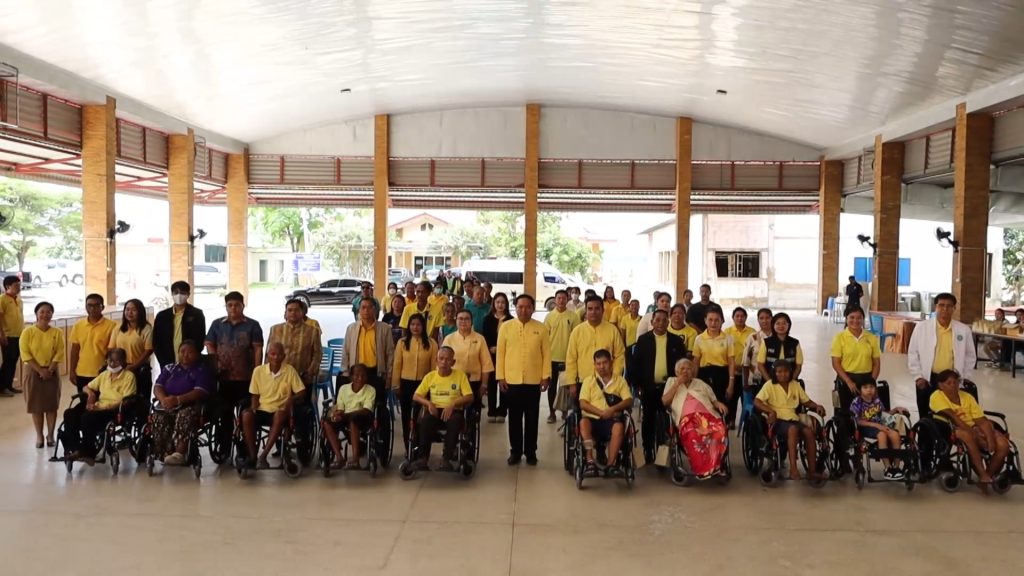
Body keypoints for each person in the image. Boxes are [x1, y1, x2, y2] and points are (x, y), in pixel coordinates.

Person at [929, 370, 1010, 492]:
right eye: (949, 383)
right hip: (951, 427)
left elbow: (981, 420)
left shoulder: (967, 397)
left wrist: (990, 439)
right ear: (941, 385)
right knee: (967, 436)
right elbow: (954, 418)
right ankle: (982, 473)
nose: (953, 385)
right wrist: (975, 435)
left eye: (955, 382)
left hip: (974, 426)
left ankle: (987, 476)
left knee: (1003, 444)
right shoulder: (937, 396)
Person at [497, 294, 551, 466]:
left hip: (533, 381)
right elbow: (500, 353)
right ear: (515, 307)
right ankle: (515, 451)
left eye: (527, 307)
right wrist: (500, 377)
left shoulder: (541, 328)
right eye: (520, 306)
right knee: (514, 418)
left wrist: (545, 376)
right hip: (511, 380)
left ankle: (530, 452)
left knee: (532, 418)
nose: (524, 310)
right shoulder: (506, 327)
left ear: (533, 309)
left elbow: (546, 354)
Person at [205, 291, 264, 445]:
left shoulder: (252, 325)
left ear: (243, 306)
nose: (233, 308)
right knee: (224, 412)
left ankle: (245, 446)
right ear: (226, 307)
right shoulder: (217, 324)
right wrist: (215, 359)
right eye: (230, 305)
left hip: (246, 376)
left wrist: (257, 372)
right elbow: (209, 343)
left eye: (237, 305)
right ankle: (224, 446)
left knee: (246, 411)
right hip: (224, 376)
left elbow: (258, 349)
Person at [754, 360, 827, 482]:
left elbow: (806, 401)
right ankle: (793, 469)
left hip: (793, 418)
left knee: (809, 432)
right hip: (777, 420)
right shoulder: (769, 385)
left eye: (786, 371)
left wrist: (817, 406)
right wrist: (770, 411)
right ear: (774, 373)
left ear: (790, 372)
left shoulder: (795, 385)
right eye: (779, 372)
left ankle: (812, 471)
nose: (783, 374)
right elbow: (757, 401)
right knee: (793, 429)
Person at [62, 348, 137, 465]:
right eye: (110, 360)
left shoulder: (129, 377)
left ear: (123, 362)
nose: (112, 364)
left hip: (114, 409)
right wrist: (91, 394)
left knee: (87, 417)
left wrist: (102, 408)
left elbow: (126, 401)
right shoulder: (104, 375)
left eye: (116, 361)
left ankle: (89, 452)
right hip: (99, 405)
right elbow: (86, 387)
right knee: (69, 413)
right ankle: (75, 449)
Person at [630, 309, 686, 463]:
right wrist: (637, 385)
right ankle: (648, 448)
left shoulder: (676, 341)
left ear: (668, 322)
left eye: (664, 320)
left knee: (669, 419)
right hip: (648, 387)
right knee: (648, 418)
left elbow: (683, 364)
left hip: (669, 388)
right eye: (657, 320)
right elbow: (635, 365)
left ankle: (665, 452)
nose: (661, 323)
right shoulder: (643, 340)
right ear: (652, 322)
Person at [907, 292, 976, 418]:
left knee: (951, 415)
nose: (945, 309)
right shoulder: (922, 327)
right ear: (936, 307)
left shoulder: (963, 330)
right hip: (928, 379)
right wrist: (918, 377)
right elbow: (913, 352)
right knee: (926, 414)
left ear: (954, 308)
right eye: (941, 305)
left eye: (949, 306)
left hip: (951, 380)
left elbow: (970, 356)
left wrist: (964, 377)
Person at [241, 341, 305, 469]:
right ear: (267, 356)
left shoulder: (289, 371)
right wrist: (253, 409)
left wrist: (292, 399)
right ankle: (253, 456)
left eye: (279, 355)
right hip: (262, 409)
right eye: (273, 354)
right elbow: (255, 395)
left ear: (284, 356)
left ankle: (263, 456)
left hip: (280, 410)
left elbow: (301, 392)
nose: (276, 357)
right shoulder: (258, 371)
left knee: (279, 415)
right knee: (246, 415)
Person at [661, 358, 728, 478]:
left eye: (689, 369)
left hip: (707, 416)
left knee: (719, 431)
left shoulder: (700, 383)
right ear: (676, 372)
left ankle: (716, 465)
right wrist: (677, 384)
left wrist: (718, 404)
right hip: (687, 419)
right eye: (682, 369)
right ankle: (703, 469)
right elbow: (665, 401)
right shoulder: (672, 381)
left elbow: (713, 400)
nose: (686, 371)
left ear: (693, 371)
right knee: (693, 434)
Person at [151, 340, 214, 464]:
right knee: (158, 416)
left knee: (184, 415)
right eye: (182, 351)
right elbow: (158, 386)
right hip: (168, 403)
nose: (185, 355)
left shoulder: (201, 370)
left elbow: (199, 391)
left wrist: (177, 400)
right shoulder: (169, 368)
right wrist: (164, 399)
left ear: (197, 354)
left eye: (190, 352)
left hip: (191, 404)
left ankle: (179, 454)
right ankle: (164, 452)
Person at [412, 346, 474, 470]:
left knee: (454, 422)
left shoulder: (460, 376)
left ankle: (446, 459)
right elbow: (416, 396)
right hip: (435, 410)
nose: (444, 362)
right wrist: (429, 404)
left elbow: (469, 396)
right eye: (441, 358)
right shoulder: (430, 377)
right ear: (436, 360)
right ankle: (423, 458)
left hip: (454, 411)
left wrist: (453, 404)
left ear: (453, 362)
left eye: (448, 359)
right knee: (425, 421)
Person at [578, 349, 633, 475]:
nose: (601, 366)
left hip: (612, 419)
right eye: (598, 364)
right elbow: (583, 404)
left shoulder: (620, 381)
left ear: (611, 363)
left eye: (604, 363)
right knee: (583, 423)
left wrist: (612, 410)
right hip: (592, 419)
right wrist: (600, 413)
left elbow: (628, 400)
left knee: (619, 427)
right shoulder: (588, 381)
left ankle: (611, 464)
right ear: (594, 365)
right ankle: (590, 460)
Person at [20, 301, 65, 448]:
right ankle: (39, 435)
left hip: (52, 372)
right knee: (36, 406)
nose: (45, 315)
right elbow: (25, 354)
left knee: (51, 405)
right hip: (33, 371)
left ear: (52, 314)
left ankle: (50, 435)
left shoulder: (57, 332)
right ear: (36, 314)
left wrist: (50, 370)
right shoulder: (27, 332)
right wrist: (40, 370)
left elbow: (59, 352)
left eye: (48, 312)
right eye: (42, 312)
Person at [565, 295, 626, 398]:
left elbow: (619, 355)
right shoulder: (577, 331)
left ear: (603, 311)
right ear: (585, 311)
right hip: (583, 382)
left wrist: (614, 377)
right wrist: (572, 383)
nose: (593, 312)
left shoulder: (612, 330)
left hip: (607, 382)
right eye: (590, 309)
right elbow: (571, 358)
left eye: (597, 308)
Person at [392, 313, 437, 450]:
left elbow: (434, 368)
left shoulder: (431, 343)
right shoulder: (402, 343)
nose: (415, 327)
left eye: (418, 324)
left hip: (423, 385)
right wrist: (396, 385)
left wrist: (432, 387)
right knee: (407, 417)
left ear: (423, 326)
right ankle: (409, 448)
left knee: (421, 418)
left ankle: (421, 449)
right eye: (412, 324)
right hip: (406, 384)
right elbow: (397, 364)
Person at [342, 298, 395, 406]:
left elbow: (390, 353)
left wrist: (389, 375)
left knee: (376, 405)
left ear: (375, 310)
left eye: (370, 307)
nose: (366, 311)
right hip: (356, 372)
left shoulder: (384, 328)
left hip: (375, 372)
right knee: (354, 405)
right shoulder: (351, 328)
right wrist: (345, 371)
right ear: (359, 310)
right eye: (363, 307)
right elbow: (346, 351)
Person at [850, 380, 906, 479]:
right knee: (882, 435)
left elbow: (884, 415)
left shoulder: (877, 400)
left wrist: (896, 409)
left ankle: (896, 467)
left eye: (871, 387)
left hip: (881, 425)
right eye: (865, 387)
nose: (869, 390)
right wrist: (876, 425)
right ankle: (887, 468)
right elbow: (858, 421)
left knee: (895, 434)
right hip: (866, 427)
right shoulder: (857, 402)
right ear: (860, 390)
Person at [830, 306, 880, 413]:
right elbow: (836, 363)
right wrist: (848, 381)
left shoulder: (871, 338)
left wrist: (870, 384)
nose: (855, 321)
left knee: (868, 413)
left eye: (859, 318)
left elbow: (876, 363)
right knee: (845, 413)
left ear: (863, 319)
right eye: (852, 317)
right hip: (846, 379)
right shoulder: (839, 338)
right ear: (846, 318)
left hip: (866, 378)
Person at [691, 307, 736, 426]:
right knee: (704, 409)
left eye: (717, 320)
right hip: (704, 376)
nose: (713, 323)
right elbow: (696, 362)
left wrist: (731, 383)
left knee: (721, 409)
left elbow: (731, 362)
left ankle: (722, 434)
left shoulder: (728, 338)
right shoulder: (699, 338)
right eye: (710, 320)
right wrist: (693, 382)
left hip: (722, 376)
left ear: (722, 321)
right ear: (705, 321)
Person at [442, 310, 493, 412]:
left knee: (473, 413)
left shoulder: (480, 338)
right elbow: (442, 362)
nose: (463, 321)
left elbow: (486, 364)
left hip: (474, 382)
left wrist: (484, 385)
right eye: (460, 319)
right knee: (454, 413)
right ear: (456, 321)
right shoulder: (449, 338)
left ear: (471, 321)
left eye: (467, 319)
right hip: (453, 381)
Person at [267, 299, 323, 390]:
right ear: (285, 312)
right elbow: (269, 353)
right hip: (279, 377)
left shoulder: (312, 331)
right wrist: (268, 372)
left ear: (302, 312)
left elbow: (317, 354)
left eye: (296, 310)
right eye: (290, 310)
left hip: (303, 378)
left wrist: (310, 372)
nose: (293, 313)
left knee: (302, 399)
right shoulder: (275, 329)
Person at [68, 293, 118, 394]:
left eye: (96, 305)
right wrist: (72, 371)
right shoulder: (78, 325)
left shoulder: (112, 326)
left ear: (102, 307)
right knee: (84, 401)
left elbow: (113, 351)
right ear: (86, 307)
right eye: (89, 305)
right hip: (82, 372)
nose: (92, 309)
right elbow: (75, 350)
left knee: (102, 401)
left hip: (103, 372)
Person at [544, 289, 581, 423]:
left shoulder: (573, 316)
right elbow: (545, 338)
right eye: (558, 298)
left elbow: (577, 337)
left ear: (567, 299)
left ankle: (565, 411)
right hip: (552, 358)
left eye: (563, 298)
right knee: (552, 387)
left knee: (566, 387)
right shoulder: (549, 317)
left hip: (568, 358)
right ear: (555, 300)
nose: (561, 301)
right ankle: (551, 413)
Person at [153, 281, 207, 371]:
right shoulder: (162, 316)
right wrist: (162, 361)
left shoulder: (196, 314)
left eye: (182, 293)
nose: (179, 295)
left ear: (188, 294)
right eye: (176, 292)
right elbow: (156, 341)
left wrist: (193, 356)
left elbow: (201, 338)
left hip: (190, 362)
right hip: (167, 362)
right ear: (172, 294)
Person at [109, 299, 155, 403]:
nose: (130, 313)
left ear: (140, 312)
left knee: (140, 400)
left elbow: (148, 350)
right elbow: (111, 348)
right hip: (120, 368)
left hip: (140, 369)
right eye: (127, 309)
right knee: (123, 399)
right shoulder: (118, 328)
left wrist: (134, 366)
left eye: (134, 310)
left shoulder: (146, 328)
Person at [482, 292, 512, 422]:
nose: (500, 305)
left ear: (506, 304)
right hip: (491, 356)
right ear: (494, 304)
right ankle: (492, 411)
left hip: (506, 357)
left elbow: (513, 340)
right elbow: (484, 337)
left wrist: (500, 349)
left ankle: (502, 411)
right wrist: (490, 348)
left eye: (503, 302)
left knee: (504, 384)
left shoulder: (511, 320)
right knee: (491, 384)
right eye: (498, 302)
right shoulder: (487, 319)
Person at [724, 307, 754, 420]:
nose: (740, 318)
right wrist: (733, 366)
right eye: (737, 316)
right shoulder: (727, 332)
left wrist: (746, 366)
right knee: (731, 398)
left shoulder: (752, 332)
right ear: (733, 318)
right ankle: (731, 420)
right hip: (732, 371)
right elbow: (724, 351)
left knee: (746, 397)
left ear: (746, 317)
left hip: (747, 372)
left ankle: (746, 421)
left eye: (742, 316)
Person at [756, 312, 804, 383]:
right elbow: (760, 365)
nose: (781, 326)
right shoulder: (766, 342)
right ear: (773, 325)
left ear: (789, 325)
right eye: (778, 323)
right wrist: (769, 382)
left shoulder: (795, 343)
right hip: (769, 382)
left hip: (790, 382)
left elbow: (798, 366)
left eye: (784, 323)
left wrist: (791, 382)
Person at [0, 275, 24, 396]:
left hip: (19, 334)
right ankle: (2, 388)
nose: (19, 287)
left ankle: (9, 386)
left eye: (19, 285)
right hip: (8, 335)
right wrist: (2, 334)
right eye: (16, 285)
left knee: (13, 361)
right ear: (8, 286)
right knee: (7, 362)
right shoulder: (2, 299)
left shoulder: (19, 300)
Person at [742, 308, 773, 389]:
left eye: (767, 318)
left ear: (772, 319)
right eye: (761, 318)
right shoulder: (752, 337)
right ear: (758, 320)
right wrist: (745, 382)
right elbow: (746, 362)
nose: (764, 321)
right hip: (755, 380)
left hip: (774, 380)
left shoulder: (777, 337)